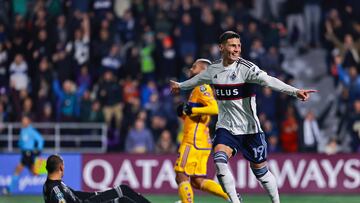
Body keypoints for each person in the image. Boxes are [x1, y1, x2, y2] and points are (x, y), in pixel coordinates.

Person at [170, 31, 316, 203]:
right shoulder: (214, 70)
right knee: (219, 159)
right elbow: (197, 80)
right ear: (221, 47)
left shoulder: (246, 69)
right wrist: (180, 86)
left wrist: (295, 91)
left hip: (250, 130)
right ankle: (235, 201)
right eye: (232, 45)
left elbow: (269, 81)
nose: (236, 49)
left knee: (261, 173)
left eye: (238, 46)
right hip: (227, 129)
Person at [174, 59, 229, 203]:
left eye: (194, 66)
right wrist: (183, 113)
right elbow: (198, 115)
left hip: (193, 140)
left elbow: (214, 108)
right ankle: (230, 196)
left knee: (181, 175)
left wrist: (192, 109)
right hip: (202, 140)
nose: (191, 69)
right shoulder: (198, 88)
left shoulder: (202, 87)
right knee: (197, 181)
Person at [43, 154, 151, 203]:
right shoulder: (56, 190)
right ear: (61, 167)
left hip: (87, 200)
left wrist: (97, 193)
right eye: (64, 166)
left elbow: (75, 194)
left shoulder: (55, 184)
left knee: (122, 197)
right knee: (122, 190)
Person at [7, 115, 44, 194]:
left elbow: (40, 139)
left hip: (29, 154)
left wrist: (38, 149)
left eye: (25, 120)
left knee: (18, 169)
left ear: (29, 121)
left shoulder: (31, 131)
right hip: (24, 153)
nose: (23, 122)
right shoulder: (23, 130)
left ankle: (9, 189)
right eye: (22, 120)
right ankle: (49, 180)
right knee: (34, 172)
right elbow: (22, 142)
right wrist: (19, 144)